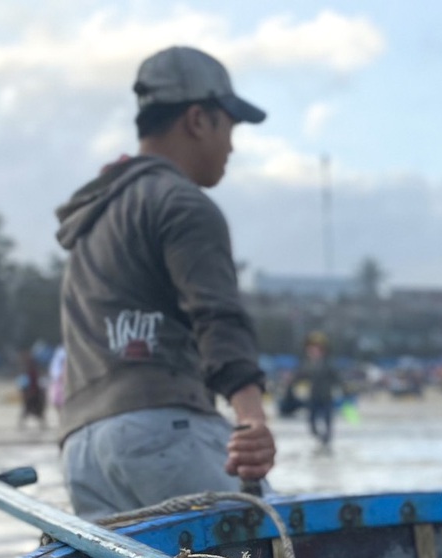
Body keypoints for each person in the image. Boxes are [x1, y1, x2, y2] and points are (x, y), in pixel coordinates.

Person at [53, 46, 275, 516]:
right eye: (229, 127)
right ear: (198, 119)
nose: (232, 145)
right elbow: (218, 318)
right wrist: (252, 421)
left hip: (83, 450)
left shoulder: (94, 216)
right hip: (162, 434)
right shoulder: (182, 204)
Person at [294, 331, 340, 451]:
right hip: (312, 397)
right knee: (312, 422)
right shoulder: (306, 364)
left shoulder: (328, 364)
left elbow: (337, 378)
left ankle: (326, 441)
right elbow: (299, 377)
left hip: (326, 396)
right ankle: (319, 438)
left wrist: (345, 389)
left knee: (327, 420)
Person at [17, 346, 47, 429]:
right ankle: (22, 424)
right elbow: (26, 382)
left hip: (33, 392)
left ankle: (42, 424)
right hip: (31, 392)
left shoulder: (31, 370)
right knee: (29, 409)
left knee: (34, 409)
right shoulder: (29, 370)